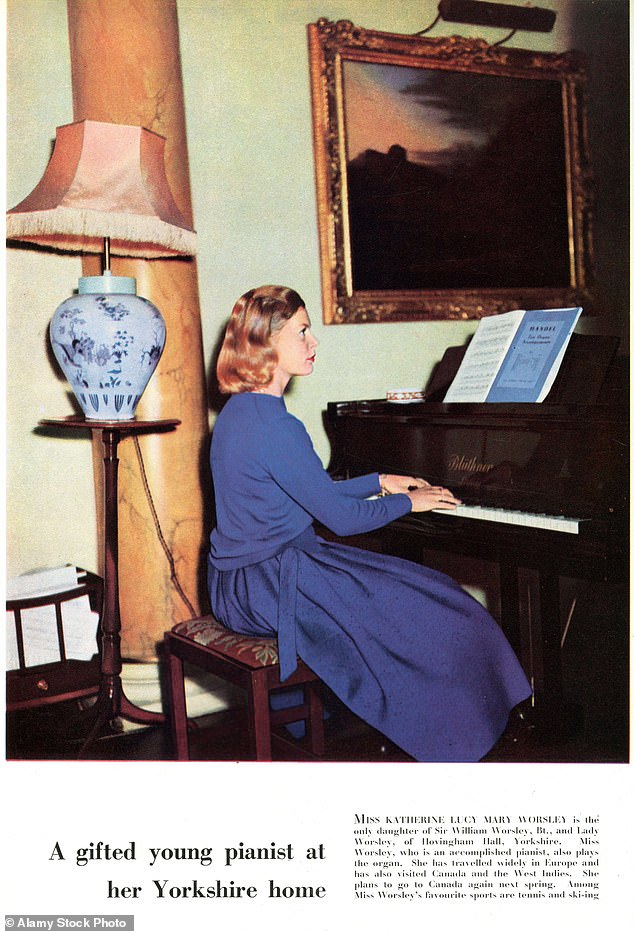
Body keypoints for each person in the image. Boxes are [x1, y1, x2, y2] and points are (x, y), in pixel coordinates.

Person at [207, 285, 532, 762]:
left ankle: (448, 723)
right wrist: (412, 504)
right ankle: (455, 739)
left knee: (421, 595)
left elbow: (303, 497)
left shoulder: (242, 413)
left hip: (243, 580)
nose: (314, 342)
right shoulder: (276, 425)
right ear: (266, 343)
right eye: (301, 331)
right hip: (268, 583)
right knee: (440, 608)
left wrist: (380, 481)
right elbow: (338, 519)